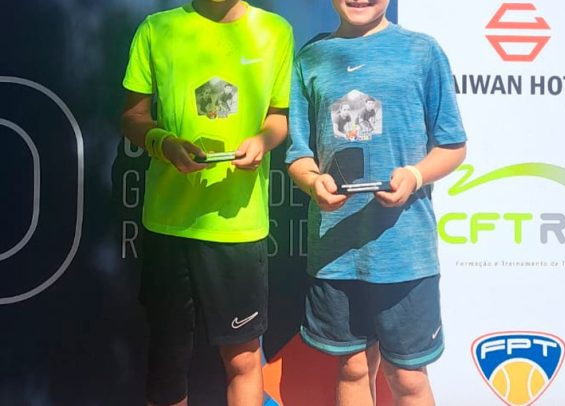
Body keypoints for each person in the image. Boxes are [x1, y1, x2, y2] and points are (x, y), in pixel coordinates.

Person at [285, 0, 467, 405]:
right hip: (335, 252)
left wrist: (414, 175)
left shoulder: (422, 51)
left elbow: (453, 146)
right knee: (352, 369)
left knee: (408, 378)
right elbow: (297, 154)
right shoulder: (311, 56)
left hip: (405, 252)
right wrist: (313, 182)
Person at [120, 0, 293, 405]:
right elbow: (132, 117)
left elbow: (279, 116)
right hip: (169, 224)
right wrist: (163, 143)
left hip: (238, 225)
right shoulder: (156, 29)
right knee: (167, 361)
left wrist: (263, 141)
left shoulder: (275, 31)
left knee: (244, 360)